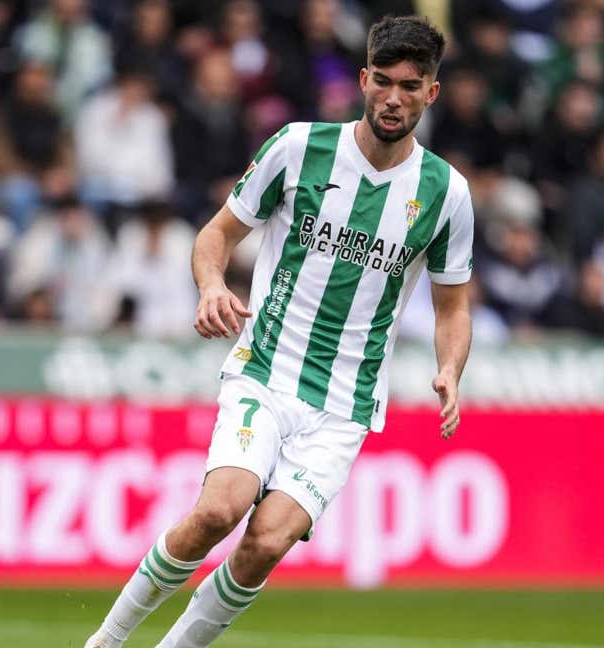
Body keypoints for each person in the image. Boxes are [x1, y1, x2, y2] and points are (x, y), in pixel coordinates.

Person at [85, 15, 474, 648]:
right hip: (266, 367)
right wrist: (212, 286)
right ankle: (102, 644)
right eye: (383, 82)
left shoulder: (446, 193)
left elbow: (453, 307)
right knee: (218, 510)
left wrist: (451, 368)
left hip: (344, 404)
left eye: (411, 85)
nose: (394, 98)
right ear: (363, 80)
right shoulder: (298, 147)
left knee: (265, 543)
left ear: (432, 93)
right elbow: (216, 234)